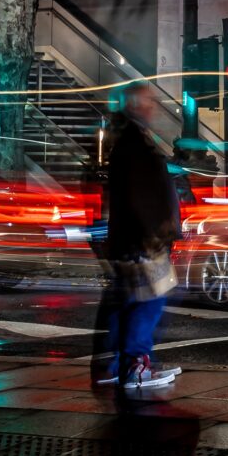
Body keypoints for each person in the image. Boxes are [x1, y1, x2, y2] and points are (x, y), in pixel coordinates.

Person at [92, 81, 183, 392]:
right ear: (134, 105)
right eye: (148, 101)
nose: (153, 107)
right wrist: (155, 234)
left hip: (134, 239)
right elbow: (141, 196)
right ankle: (136, 366)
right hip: (142, 241)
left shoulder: (130, 139)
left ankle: (117, 365)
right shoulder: (134, 143)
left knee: (131, 301)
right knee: (149, 301)